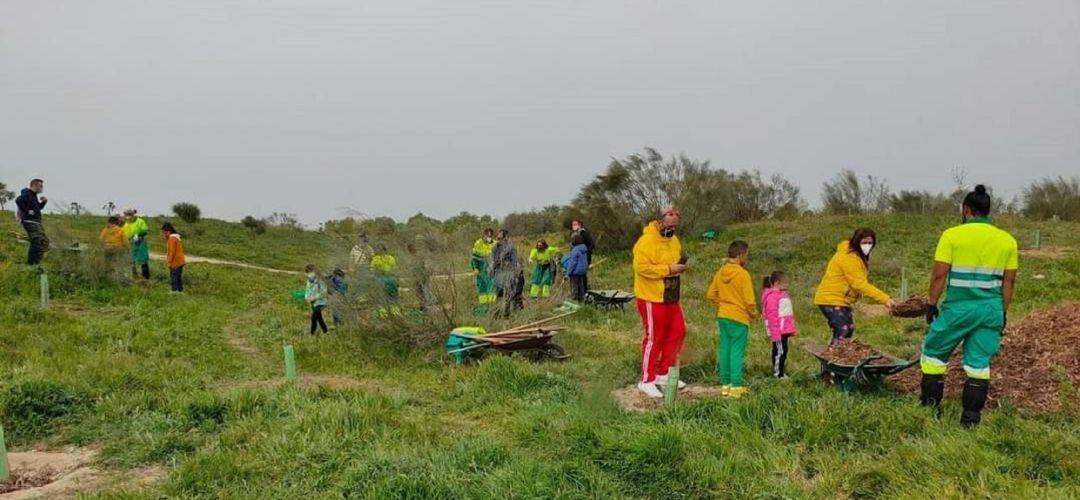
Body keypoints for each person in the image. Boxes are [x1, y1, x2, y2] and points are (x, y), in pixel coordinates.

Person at [920, 185, 1018, 427]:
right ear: (987, 211)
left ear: (966, 210)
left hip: (958, 308)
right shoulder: (1007, 240)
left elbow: (939, 275)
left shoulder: (952, 235)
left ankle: (929, 411)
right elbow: (1009, 281)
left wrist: (931, 304)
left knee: (933, 354)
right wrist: (1002, 311)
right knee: (978, 364)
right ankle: (971, 419)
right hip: (990, 310)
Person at [632, 208, 688, 398]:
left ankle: (663, 372)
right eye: (669, 218)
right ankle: (647, 379)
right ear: (659, 220)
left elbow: (674, 263)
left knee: (678, 331)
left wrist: (680, 267)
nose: (672, 224)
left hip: (671, 295)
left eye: (676, 221)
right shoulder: (646, 242)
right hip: (651, 296)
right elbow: (641, 268)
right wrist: (668, 269)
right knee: (654, 337)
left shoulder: (674, 241)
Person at [813, 228, 896, 344]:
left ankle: (835, 357)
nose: (867, 245)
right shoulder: (849, 257)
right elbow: (859, 284)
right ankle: (835, 358)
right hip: (832, 298)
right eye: (864, 242)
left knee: (847, 330)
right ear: (857, 241)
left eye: (870, 243)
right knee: (843, 331)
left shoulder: (857, 256)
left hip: (841, 299)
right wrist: (885, 299)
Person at [706, 240, 759, 398]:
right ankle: (736, 387)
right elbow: (749, 301)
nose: (747, 258)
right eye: (746, 255)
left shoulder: (720, 272)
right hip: (739, 318)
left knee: (725, 349)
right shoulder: (743, 274)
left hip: (723, 316)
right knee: (736, 351)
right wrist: (753, 314)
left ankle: (725, 385)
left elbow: (710, 294)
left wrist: (722, 305)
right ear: (741, 255)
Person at [762, 271, 798, 379]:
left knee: (783, 351)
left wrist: (791, 328)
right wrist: (775, 333)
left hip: (784, 330)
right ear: (777, 283)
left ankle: (780, 371)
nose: (787, 285)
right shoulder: (772, 297)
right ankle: (778, 373)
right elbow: (772, 317)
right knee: (780, 352)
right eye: (785, 282)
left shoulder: (783, 295)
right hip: (778, 332)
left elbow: (787, 314)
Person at [14, 179, 49, 265]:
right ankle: (32, 264)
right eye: (41, 186)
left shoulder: (33, 195)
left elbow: (37, 208)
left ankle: (36, 262)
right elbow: (18, 200)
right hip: (29, 221)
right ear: (35, 186)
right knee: (37, 240)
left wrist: (44, 202)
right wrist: (28, 211)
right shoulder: (27, 193)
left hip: (36, 222)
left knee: (44, 241)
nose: (42, 188)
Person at [492, 229, 525, 316]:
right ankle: (497, 313)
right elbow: (494, 261)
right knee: (499, 294)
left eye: (501, 237)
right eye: (498, 238)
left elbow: (514, 262)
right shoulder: (495, 248)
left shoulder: (511, 247)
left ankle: (509, 313)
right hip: (499, 273)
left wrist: (515, 274)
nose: (499, 239)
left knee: (510, 293)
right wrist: (493, 271)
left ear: (506, 237)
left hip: (509, 273)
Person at [370, 244, 401, 317]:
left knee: (380, 298)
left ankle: (383, 314)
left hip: (380, 280)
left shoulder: (375, 259)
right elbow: (395, 271)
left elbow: (372, 271)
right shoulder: (391, 258)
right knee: (392, 298)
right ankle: (395, 312)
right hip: (391, 280)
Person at [470, 229, 497, 308]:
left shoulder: (494, 244)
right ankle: (483, 306)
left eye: (490, 236)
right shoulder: (478, 244)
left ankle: (492, 306)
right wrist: (475, 268)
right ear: (484, 235)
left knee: (492, 288)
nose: (489, 237)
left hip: (491, 270)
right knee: (482, 288)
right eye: (487, 236)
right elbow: (474, 258)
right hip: (481, 270)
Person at [122, 209, 151, 280]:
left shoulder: (140, 221)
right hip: (131, 244)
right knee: (132, 261)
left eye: (129, 215)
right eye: (126, 215)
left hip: (141, 243)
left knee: (143, 260)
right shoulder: (126, 224)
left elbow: (145, 230)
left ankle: (146, 278)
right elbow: (123, 233)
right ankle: (135, 277)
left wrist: (138, 234)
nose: (128, 217)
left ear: (132, 215)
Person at [571, 219, 597, 290]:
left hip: (584, 257)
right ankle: (579, 290)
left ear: (580, 225)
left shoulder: (584, 233)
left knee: (582, 274)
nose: (573, 226)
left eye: (575, 224)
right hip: (576, 256)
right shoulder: (575, 234)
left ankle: (584, 290)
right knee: (577, 273)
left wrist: (586, 253)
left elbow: (592, 244)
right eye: (573, 224)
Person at [563, 234, 589, 302]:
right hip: (583, 271)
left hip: (575, 271)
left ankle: (574, 300)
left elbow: (573, 263)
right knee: (581, 286)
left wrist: (567, 273)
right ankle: (581, 300)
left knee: (574, 287)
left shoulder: (575, 250)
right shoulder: (584, 249)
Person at [304, 264, 329, 334]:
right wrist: (307, 298)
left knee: (313, 318)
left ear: (314, 271)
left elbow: (324, 292)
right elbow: (307, 290)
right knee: (319, 318)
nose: (309, 274)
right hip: (313, 302)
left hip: (321, 302)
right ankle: (326, 331)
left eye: (310, 272)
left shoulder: (320, 280)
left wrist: (314, 298)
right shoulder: (309, 281)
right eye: (307, 272)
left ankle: (312, 334)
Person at [162, 222, 186, 293]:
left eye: (164, 232)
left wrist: (169, 262)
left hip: (175, 262)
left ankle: (174, 291)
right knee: (178, 277)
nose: (163, 234)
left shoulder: (171, 239)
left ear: (168, 231)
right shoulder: (176, 237)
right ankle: (180, 290)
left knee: (174, 277)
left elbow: (172, 252)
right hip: (180, 261)